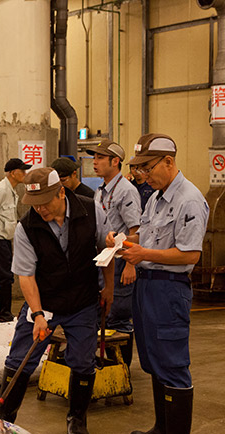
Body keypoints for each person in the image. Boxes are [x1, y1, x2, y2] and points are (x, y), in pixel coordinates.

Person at [0, 167, 114, 434]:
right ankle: (4, 420)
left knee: (84, 362)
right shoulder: (26, 227)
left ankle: (77, 419)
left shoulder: (91, 211)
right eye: (34, 204)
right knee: (19, 360)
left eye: (45, 202)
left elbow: (106, 250)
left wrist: (109, 288)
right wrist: (37, 314)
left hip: (83, 301)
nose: (40, 209)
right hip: (45, 301)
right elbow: (25, 275)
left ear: (61, 192)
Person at [111, 133, 209, 434]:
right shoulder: (155, 197)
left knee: (173, 362)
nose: (144, 175)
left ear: (169, 162)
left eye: (148, 168)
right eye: (140, 169)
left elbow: (189, 254)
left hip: (169, 289)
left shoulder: (189, 200)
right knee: (153, 360)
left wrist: (143, 253)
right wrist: (124, 240)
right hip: (147, 285)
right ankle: (161, 429)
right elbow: (148, 234)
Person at [86, 139, 141, 366]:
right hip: (104, 261)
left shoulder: (127, 191)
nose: (95, 162)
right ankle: (108, 366)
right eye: (94, 157)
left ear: (115, 161)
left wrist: (130, 265)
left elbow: (136, 231)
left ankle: (122, 371)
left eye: (100, 158)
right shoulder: (100, 190)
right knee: (104, 315)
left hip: (120, 263)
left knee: (119, 319)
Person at [0, 157, 29, 322]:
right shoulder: (1, 190)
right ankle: (5, 314)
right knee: (6, 277)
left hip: (4, 239)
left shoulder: (11, 191)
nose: (25, 173)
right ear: (13, 173)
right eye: (22, 170)